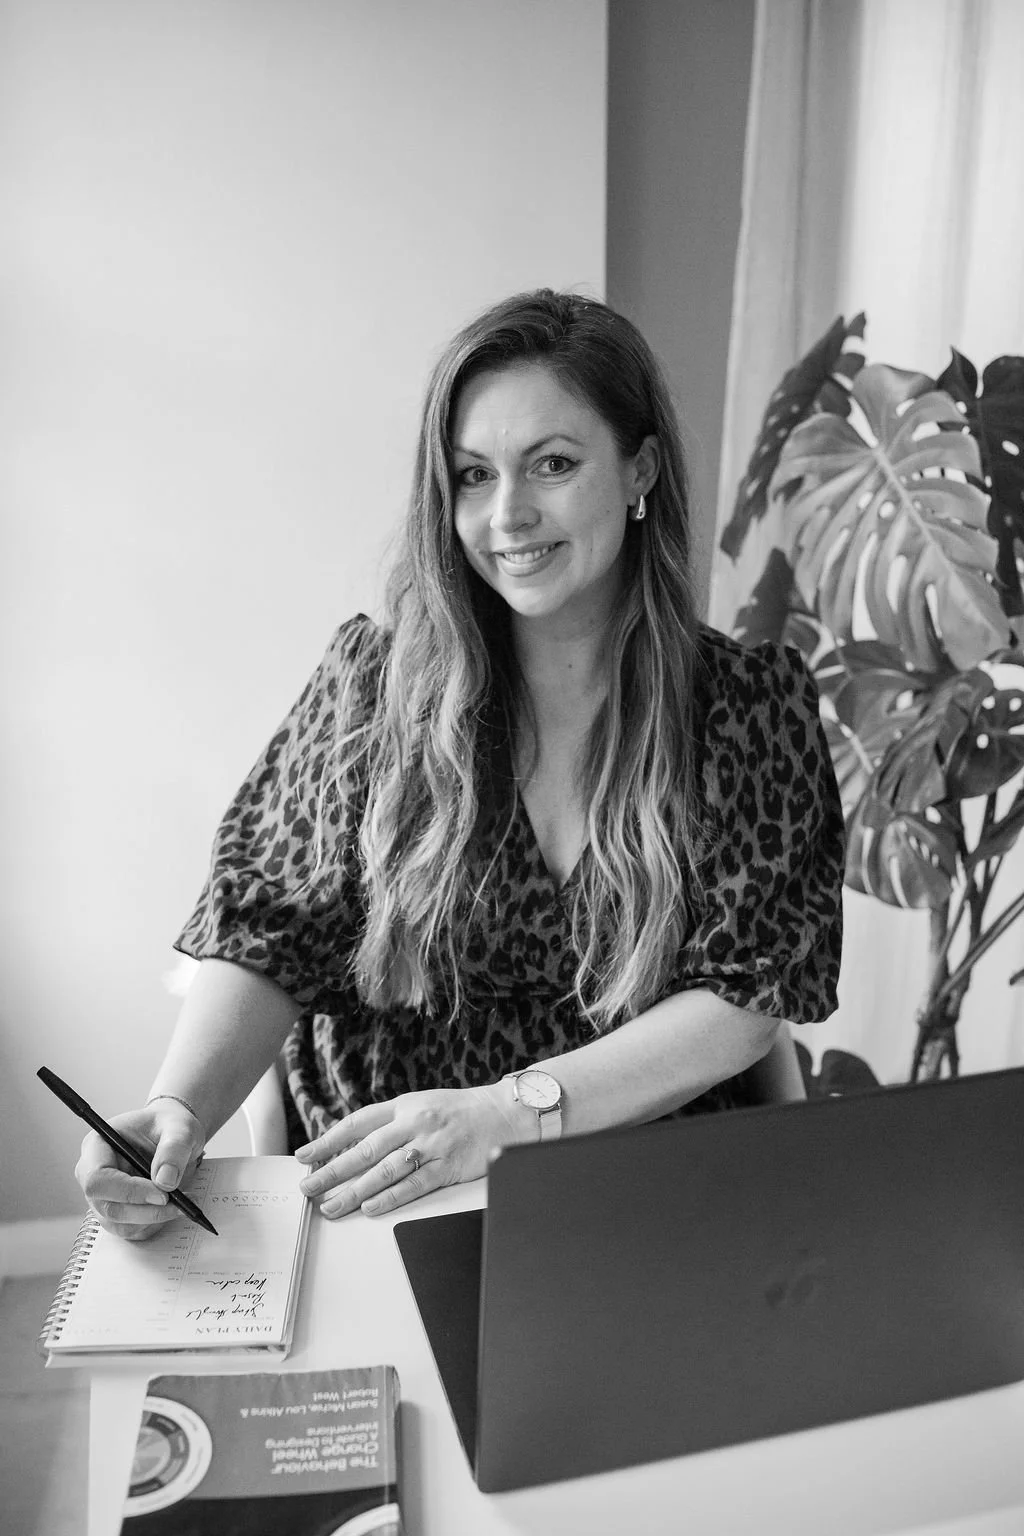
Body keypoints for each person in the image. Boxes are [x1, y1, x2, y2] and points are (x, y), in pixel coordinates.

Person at [77, 288, 845, 1240]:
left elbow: (748, 997)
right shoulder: (372, 688)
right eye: (473, 475)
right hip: (390, 1199)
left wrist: (504, 1115)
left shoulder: (748, 707)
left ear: (640, 469)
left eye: (552, 465)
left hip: (649, 1187)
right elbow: (267, 927)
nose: (507, 515)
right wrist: (180, 1110)